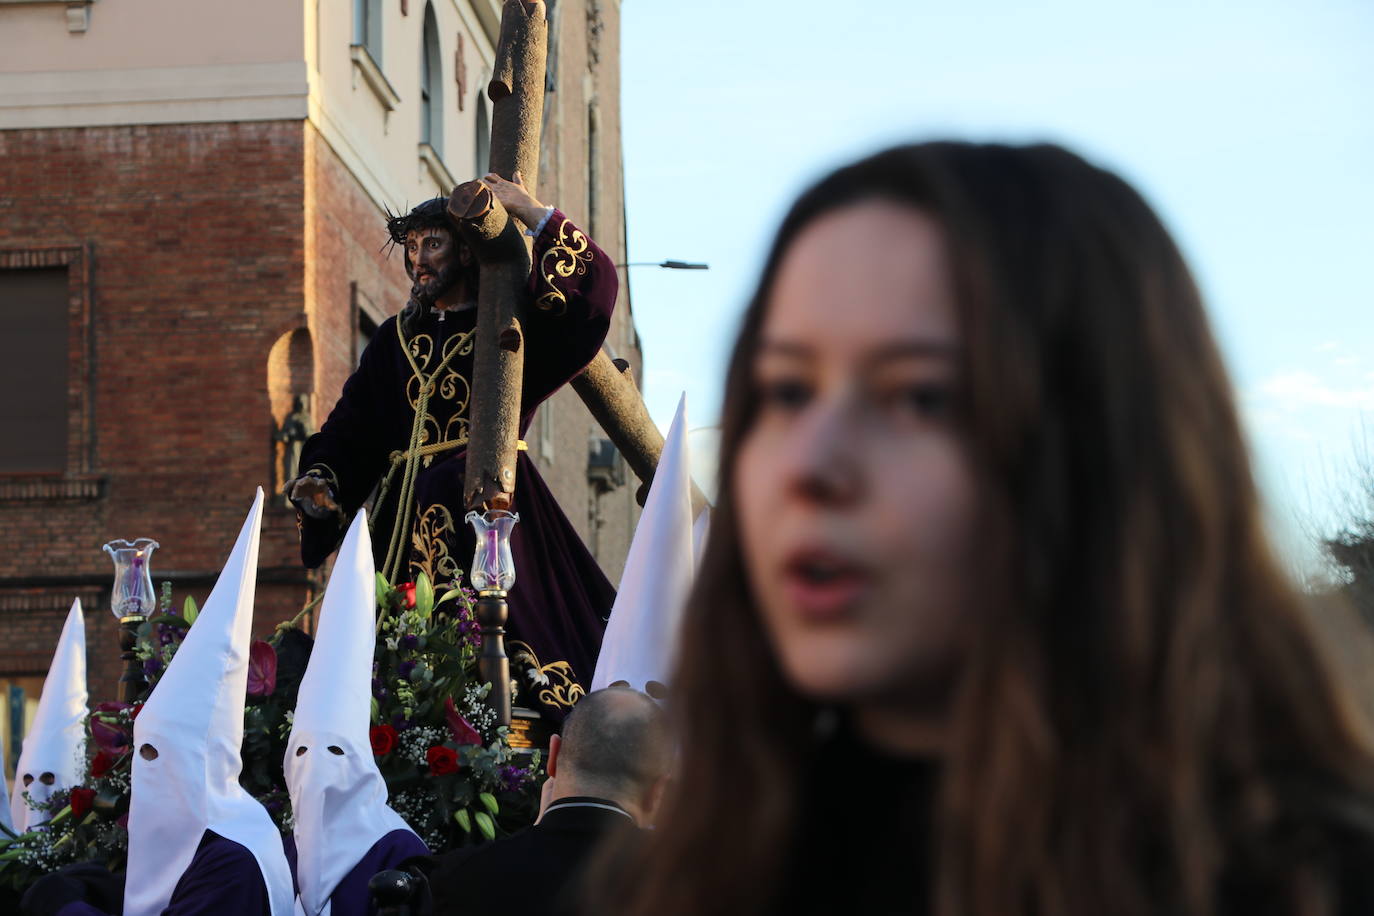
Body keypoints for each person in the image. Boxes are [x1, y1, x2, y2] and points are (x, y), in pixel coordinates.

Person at [596, 142, 1374, 915]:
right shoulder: (704, 879)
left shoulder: (1307, 880)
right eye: (786, 391)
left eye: (919, 397)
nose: (812, 463)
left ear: (1102, 448)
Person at [283, 172, 617, 720]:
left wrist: (535, 215)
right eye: (411, 248)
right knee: (385, 675)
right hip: (400, 521)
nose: (419, 259)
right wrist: (323, 477)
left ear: (464, 250)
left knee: (525, 655)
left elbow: (590, 298)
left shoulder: (509, 324)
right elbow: (353, 425)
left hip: (489, 506)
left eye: (432, 244)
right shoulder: (394, 338)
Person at [407, 686, 670, 916]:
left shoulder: (457, 879)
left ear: (553, 755)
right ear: (659, 790)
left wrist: (532, 835)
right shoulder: (686, 886)